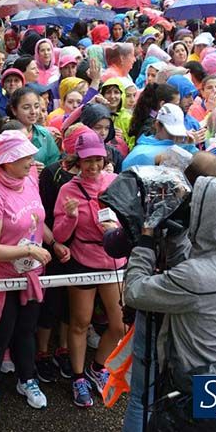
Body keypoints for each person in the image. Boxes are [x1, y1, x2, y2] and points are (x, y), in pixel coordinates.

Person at [123, 177, 216, 432]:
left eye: (198, 206)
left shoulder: (197, 276)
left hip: (190, 372)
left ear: (213, 216)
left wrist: (145, 242)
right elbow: (191, 271)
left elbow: (135, 291)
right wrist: (178, 235)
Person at [0, 130, 52, 418]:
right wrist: (29, 251)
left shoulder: (30, 180)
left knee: (26, 330)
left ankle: (27, 379)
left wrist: (53, 242)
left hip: (30, 272)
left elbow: (36, 220)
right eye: (25, 157)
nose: (32, 161)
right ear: (6, 162)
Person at [53, 131, 124, 407]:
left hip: (113, 260)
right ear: (77, 161)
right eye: (87, 161)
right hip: (83, 259)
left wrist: (116, 229)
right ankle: (78, 376)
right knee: (80, 322)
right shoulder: (67, 190)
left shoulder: (115, 182)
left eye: (97, 159)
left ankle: (98, 367)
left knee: (119, 325)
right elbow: (59, 234)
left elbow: (129, 218)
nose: (93, 166)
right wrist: (70, 217)